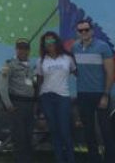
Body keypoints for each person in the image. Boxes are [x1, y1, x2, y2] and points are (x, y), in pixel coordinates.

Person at [73, 19, 115, 163]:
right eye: (81, 30)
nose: (84, 33)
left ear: (92, 31)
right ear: (77, 33)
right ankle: (94, 159)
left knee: (105, 129)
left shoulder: (102, 47)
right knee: (88, 130)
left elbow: (110, 73)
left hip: (99, 94)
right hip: (83, 94)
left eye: (86, 30)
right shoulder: (75, 47)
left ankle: (111, 159)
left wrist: (105, 95)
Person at [36, 31, 76, 163]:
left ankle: (71, 159)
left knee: (65, 131)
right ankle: (60, 160)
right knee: (54, 131)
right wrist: (38, 103)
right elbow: (39, 81)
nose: (50, 44)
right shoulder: (41, 61)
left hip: (63, 97)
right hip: (46, 97)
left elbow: (74, 72)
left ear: (57, 42)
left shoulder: (67, 58)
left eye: (52, 41)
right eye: (47, 42)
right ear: (44, 45)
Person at [0, 38, 38, 163]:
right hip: (17, 105)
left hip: (29, 105)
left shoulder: (31, 67)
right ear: (16, 50)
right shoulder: (9, 64)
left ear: (29, 51)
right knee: (19, 136)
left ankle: (28, 159)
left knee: (28, 135)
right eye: (20, 48)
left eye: (25, 49)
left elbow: (34, 85)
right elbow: (2, 86)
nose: (22, 51)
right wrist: (8, 104)